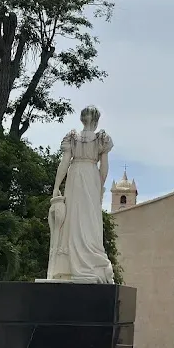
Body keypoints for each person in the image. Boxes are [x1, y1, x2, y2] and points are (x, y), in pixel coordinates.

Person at [47, 106, 115, 282]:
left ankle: (73, 263)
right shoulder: (102, 139)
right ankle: (90, 258)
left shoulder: (73, 137)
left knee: (75, 217)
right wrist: (100, 186)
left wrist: (56, 185)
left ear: (81, 119)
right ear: (97, 120)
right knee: (89, 219)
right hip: (91, 174)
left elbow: (64, 163)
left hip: (75, 173)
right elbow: (104, 167)